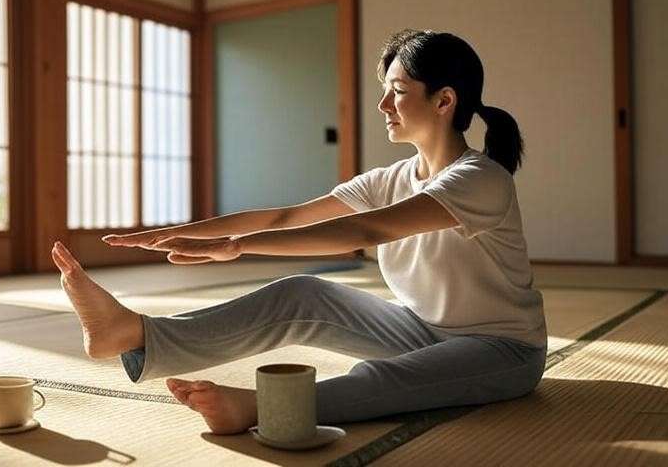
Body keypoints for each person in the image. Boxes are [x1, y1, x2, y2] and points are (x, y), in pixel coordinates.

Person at [50, 29, 547, 435]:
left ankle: (265, 408)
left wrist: (239, 247)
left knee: (382, 380)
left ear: (444, 101)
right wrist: (182, 233)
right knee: (302, 293)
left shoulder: (480, 179)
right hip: (419, 330)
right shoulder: (391, 178)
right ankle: (136, 334)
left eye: (397, 92)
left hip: (500, 349)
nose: (382, 106)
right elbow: (286, 218)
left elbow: (369, 228)